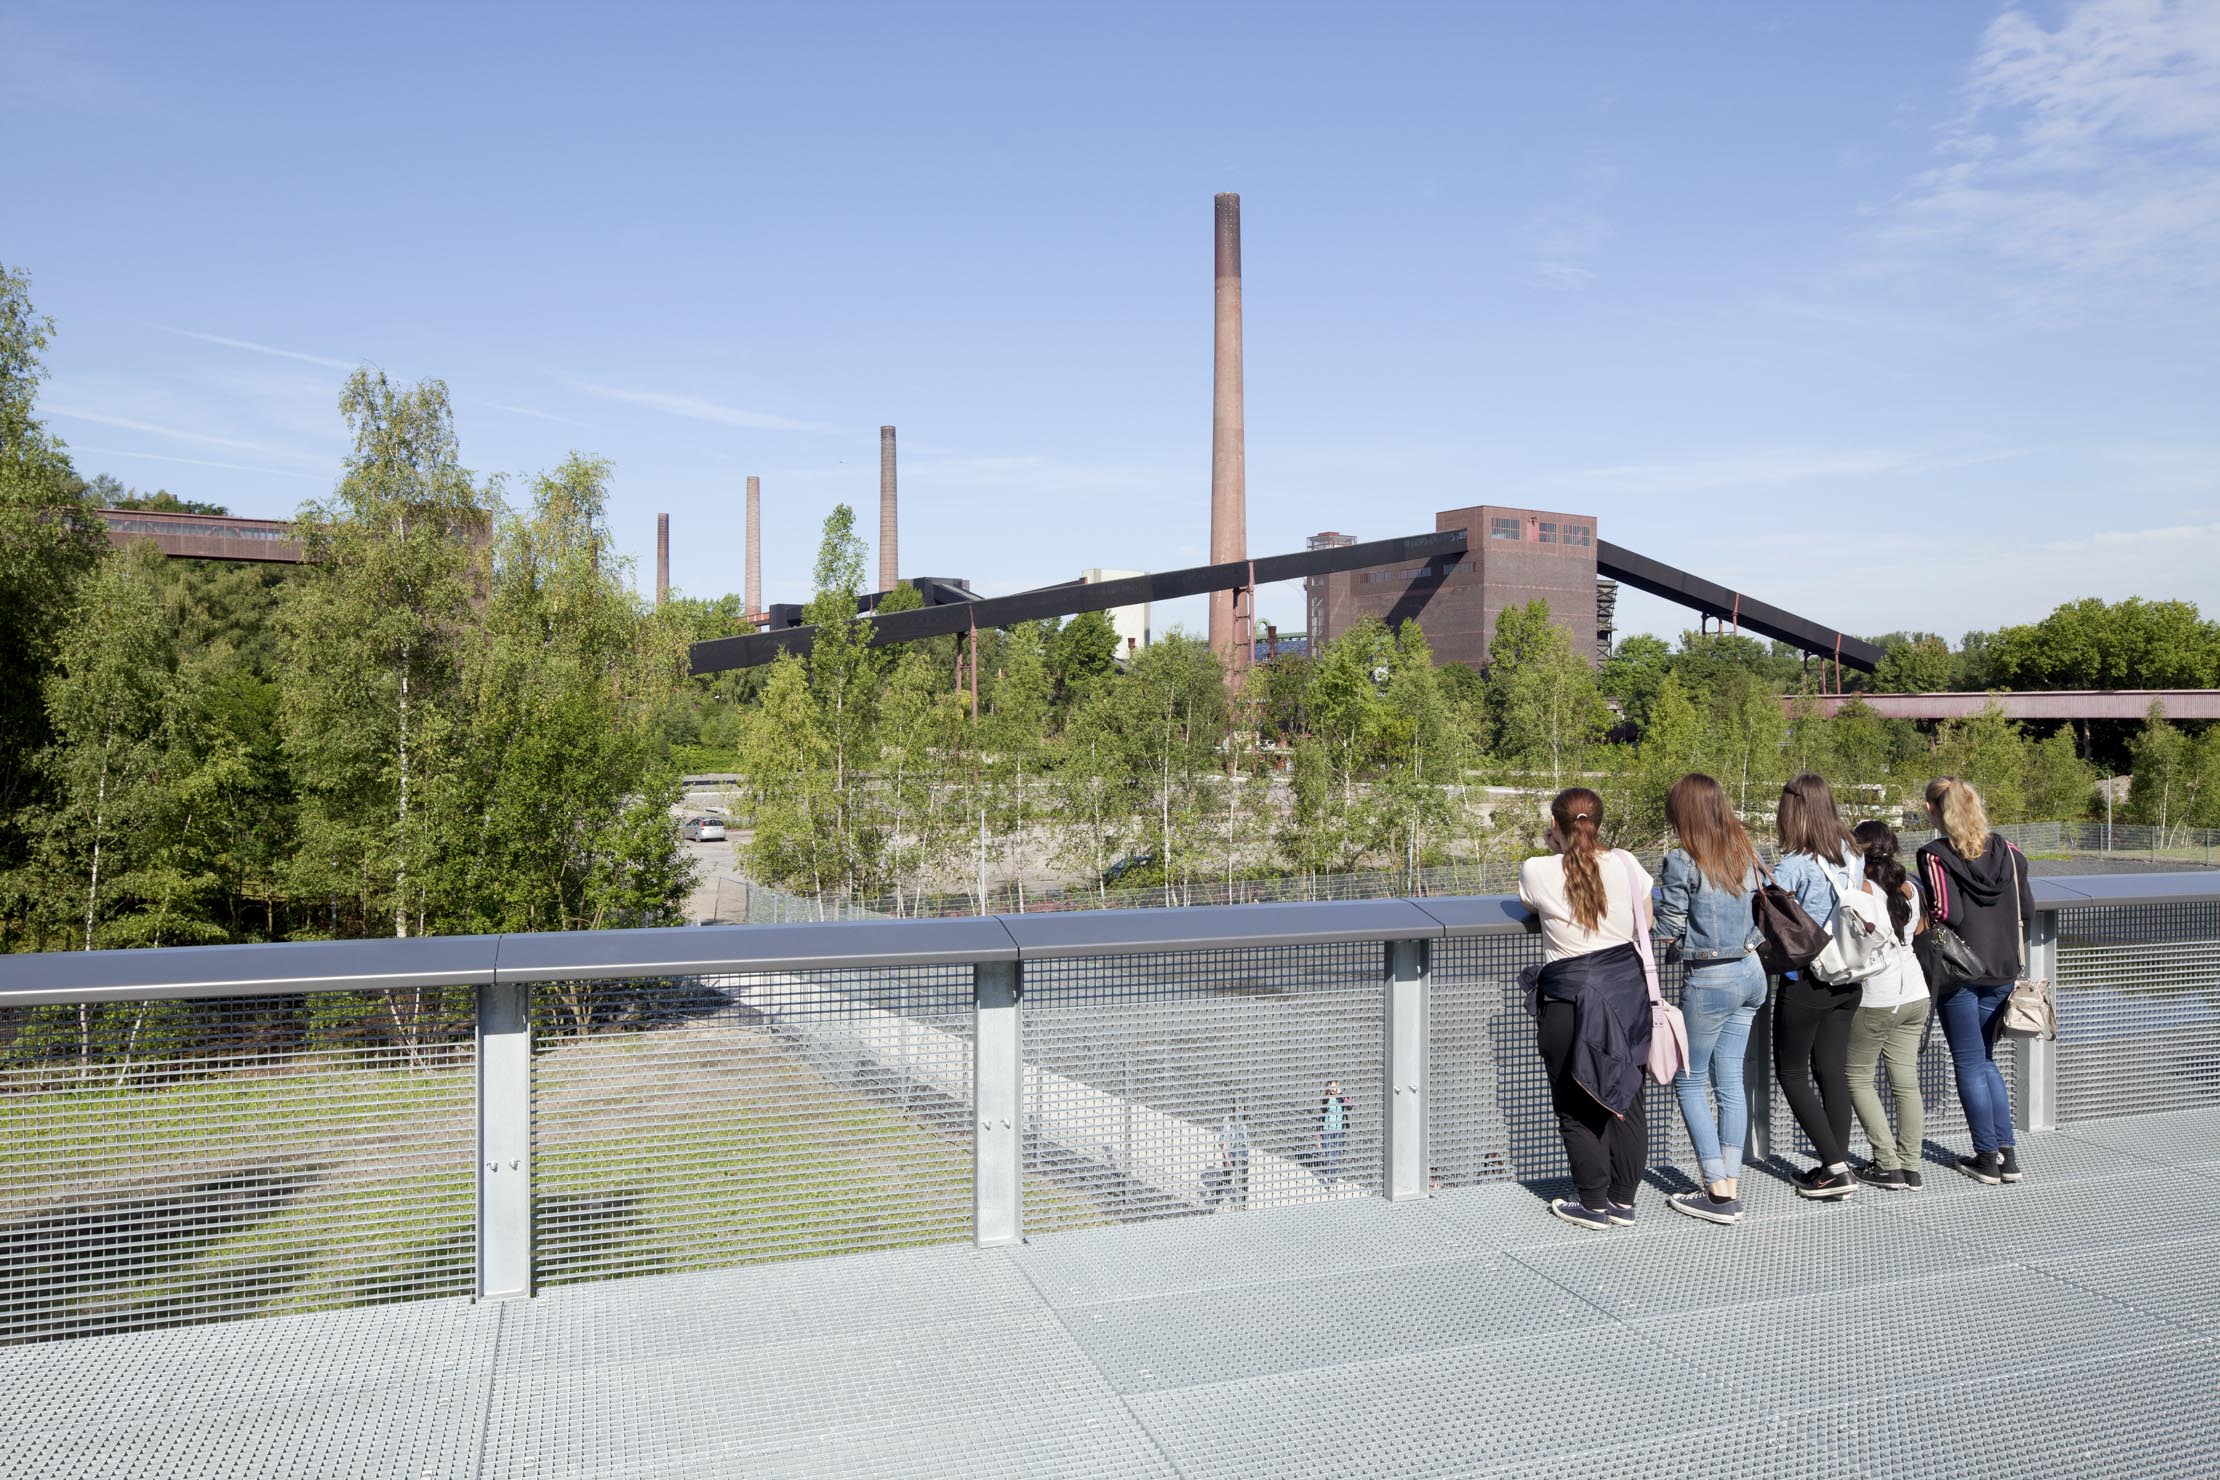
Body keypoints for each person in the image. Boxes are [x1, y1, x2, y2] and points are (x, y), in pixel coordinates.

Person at [1518, 786, 1655, 1230]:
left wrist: (1555, 846)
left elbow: (1531, 902)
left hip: (1567, 999)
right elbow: (1646, 922)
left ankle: (1592, 1203)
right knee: (1627, 1098)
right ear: (1599, 822)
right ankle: (1623, 1203)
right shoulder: (1628, 864)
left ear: (1554, 826)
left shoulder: (1538, 869)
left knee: (1575, 1103)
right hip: (1623, 996)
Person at [1653, 774, 1766, 1226]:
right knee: (1730, 1082)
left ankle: (1717, 1193)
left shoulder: (1682, 860)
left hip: (1710, 981)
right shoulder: (1744, 851)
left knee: (1688, 1079)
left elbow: (1670, 926)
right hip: (1752, 972)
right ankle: (1730, 1183)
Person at [1917, 777, 2034, 1185]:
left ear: (1934, 810)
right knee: (1985, 1059)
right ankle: (2008, 1157)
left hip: (1961, 971)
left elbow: (1949, 912)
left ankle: (1985, 1158)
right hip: (2004, 968)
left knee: (1968, 1062)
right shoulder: (2009, 851)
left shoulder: (1935, 855)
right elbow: (2029, 909)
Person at [1771, 772, 1865, 1200]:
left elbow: (1770, 919)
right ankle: (1836, 1164)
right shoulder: (1851, 854)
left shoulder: (1792, 865)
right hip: (1848, 976)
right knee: (1832, 1072)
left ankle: (1834, 1167)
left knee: (1791, 1072)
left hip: (1807, 979)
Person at [1846, 820, 1929, 1190]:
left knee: (1858, 1076)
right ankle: (1910, 1165)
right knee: (1906, 1082)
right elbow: (1921, 929)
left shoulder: (1862, 889)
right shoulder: (1908, 888)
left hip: (1877, 996)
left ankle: (1886, 1163)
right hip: (1915, 992)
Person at [1216, 1102, 1251, 1208]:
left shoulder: (1244, 1121)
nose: (1242, 1111)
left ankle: (1243, 1203)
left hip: (1241, 1151)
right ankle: (1217, 1197)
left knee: (1244, 1179)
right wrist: (1227, 1159)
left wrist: (1249, 1156)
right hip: (1230, 1152)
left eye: (1243, 1108)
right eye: (1239, 1108)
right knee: (1227, 1177)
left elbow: (1247, 1139)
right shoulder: (1228, 1122)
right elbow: (1224, 1143)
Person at [1318, 1079, 1352, 1183]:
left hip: (1339, 1131)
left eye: (1335, 1086)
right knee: (1329, 1155)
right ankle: (1331, 1179)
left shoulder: (1342, 1098)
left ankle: (1332, 1176)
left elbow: (1350, 1106)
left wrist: (1341, 1093)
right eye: (1331, 1087)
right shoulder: (1326, 1099)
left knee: (1336, 1155)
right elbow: (1322, 1115)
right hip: (1327, 1130)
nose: (1333, 1089)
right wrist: (1318, 1133)